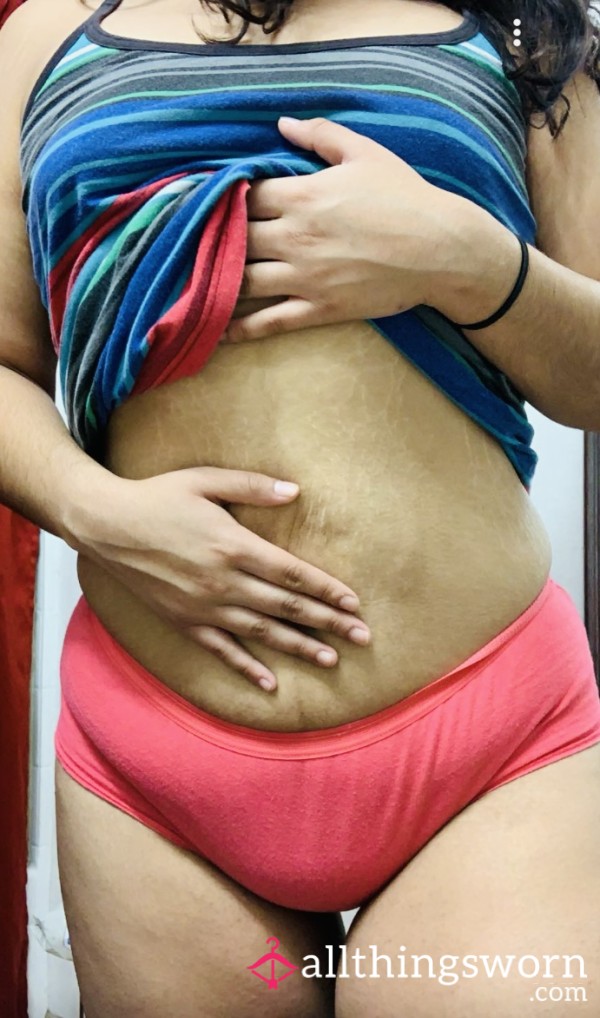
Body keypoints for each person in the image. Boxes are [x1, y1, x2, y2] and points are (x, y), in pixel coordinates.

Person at [2, 0, 600, 1013]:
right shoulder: (42, 32)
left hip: (488, 748)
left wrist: (473, 265)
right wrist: (95, 510)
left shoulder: (524, 32)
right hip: (157, 763)